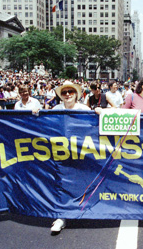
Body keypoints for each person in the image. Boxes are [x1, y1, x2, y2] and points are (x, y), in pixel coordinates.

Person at [50, 81, 90, 234]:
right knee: (61, 183)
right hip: (60, 154)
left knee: (79, 182)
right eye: (64, 92)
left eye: (70, 92)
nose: (67, 94)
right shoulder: (55, 109)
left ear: (76, 95)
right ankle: (61, 217)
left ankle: (84, 209)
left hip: (80, 154)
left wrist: (99, 110)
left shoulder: (84, 109)